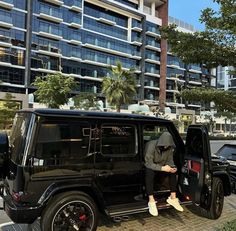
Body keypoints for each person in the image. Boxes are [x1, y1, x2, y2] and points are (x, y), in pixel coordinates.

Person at [144, 131, 184, 216]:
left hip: (161, 167)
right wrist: (162, 168)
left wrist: (172, 167)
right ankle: (151, 201)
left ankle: (173, 198)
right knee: (149, 172)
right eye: (164, 145)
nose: (166, 147)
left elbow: (170, 160)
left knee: (172, 171)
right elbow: (148, 163)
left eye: (168, 145)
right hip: (151, 166)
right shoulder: (151, 145)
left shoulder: (169, 148)